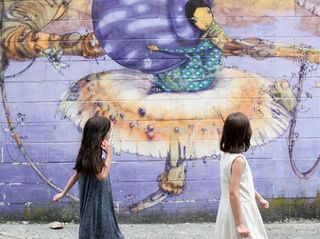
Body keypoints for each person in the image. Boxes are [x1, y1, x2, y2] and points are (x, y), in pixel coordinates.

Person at [53, 116, 124, 239]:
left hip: (100, 202)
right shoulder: (92, 157)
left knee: (100, 229)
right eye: (108, 131)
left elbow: (76, 175)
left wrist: (63, 193)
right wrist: (109, 154)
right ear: (100, 134)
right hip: (96, 204)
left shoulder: (87, 153)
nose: (110, 134)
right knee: (99, 229)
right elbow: (102, 175)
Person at [147, 0, 223, 92]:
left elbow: (187, 50)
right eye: (197, 19)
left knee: (170, 74)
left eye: (207, 13)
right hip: (202, 75)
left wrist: (160, 49)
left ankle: (162, 87)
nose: (204, 21)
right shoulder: (213, 33)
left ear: (210, 12)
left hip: (200, 79)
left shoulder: (211, 40)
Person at [214, 112, 269, 238]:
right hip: (242, 209)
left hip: (228, 208)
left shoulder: (226, 156)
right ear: (245, 135)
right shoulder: (238, 160)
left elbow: (242, 185)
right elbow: (233, 192)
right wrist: (240, 223)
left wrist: (258, 198)